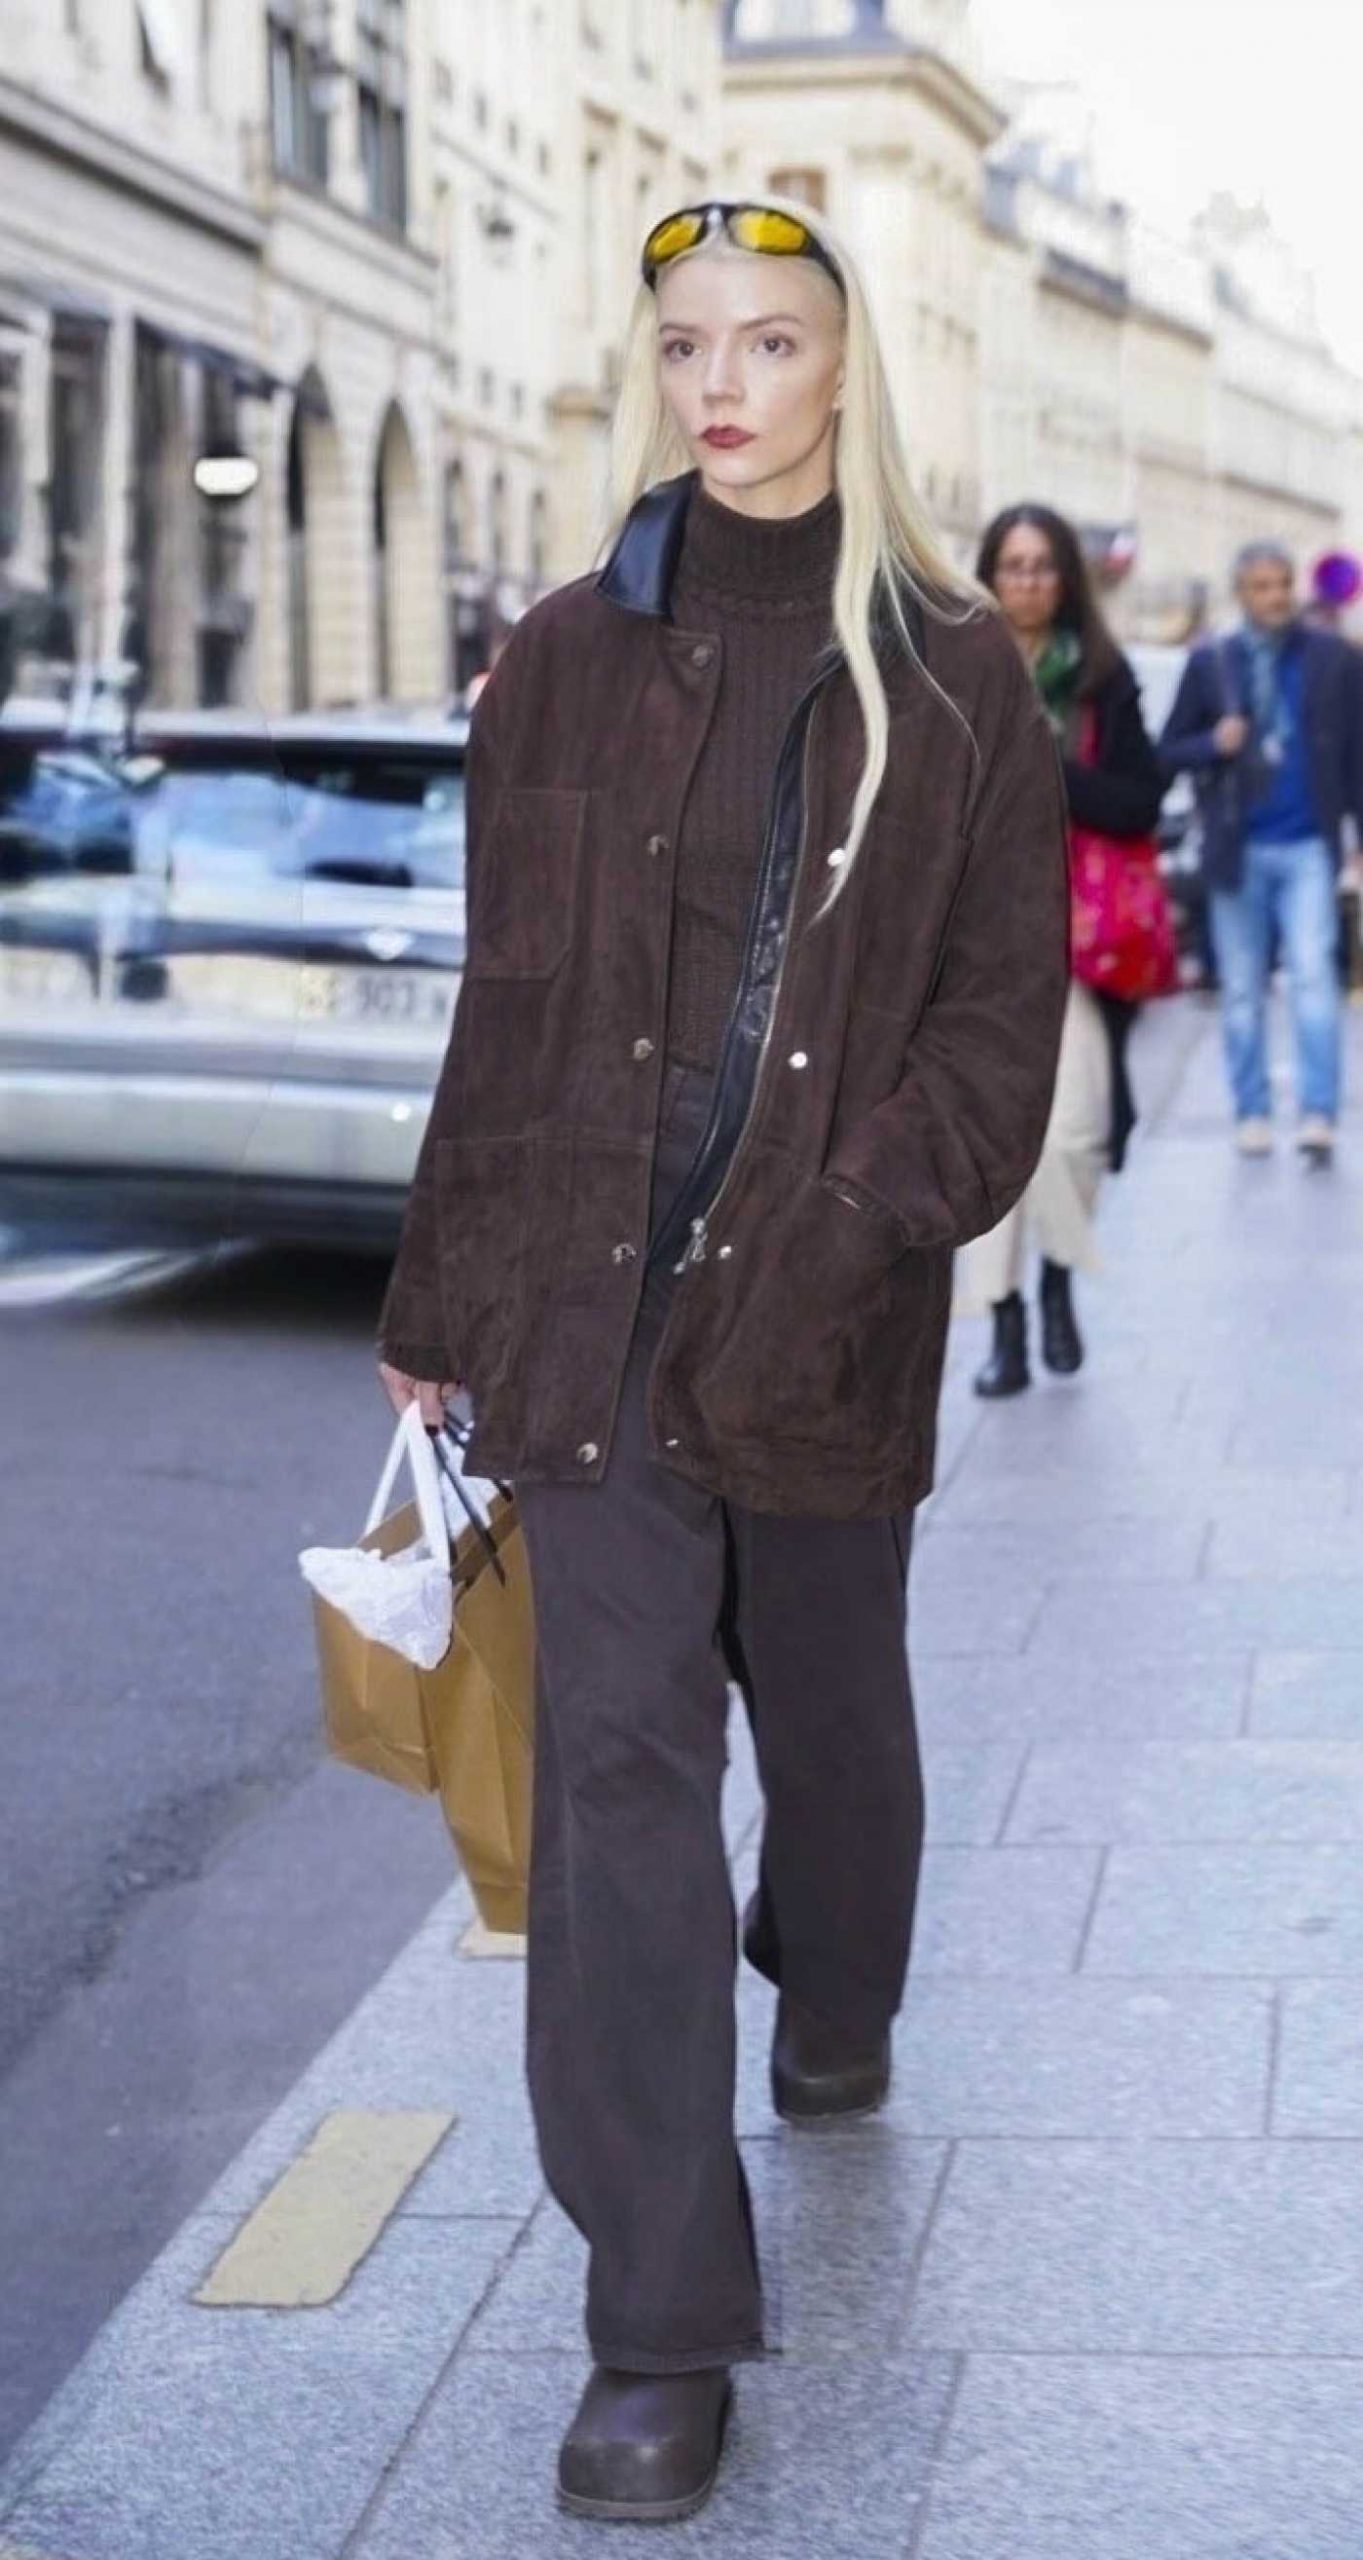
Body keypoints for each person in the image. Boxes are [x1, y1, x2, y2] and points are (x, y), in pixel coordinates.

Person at [376, 197, 1068, 2525]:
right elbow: (507, 999)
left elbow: (996, 1038)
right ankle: (657, 2326)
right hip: (584, 1305)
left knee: (834, 1716)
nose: (720, 385)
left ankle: (842, 1978)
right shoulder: (565, 657)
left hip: (820, 1312)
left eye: (767, 340)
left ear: (843, 367)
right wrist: (431, 1301)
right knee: (616, 1784)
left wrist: (867, 1215)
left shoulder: (956, 671)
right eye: (682, 345)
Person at [961, 504, 1165, 1397]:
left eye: (1043, 566)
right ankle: (1004, 1323)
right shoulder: (957, 671)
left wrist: (1047, 764)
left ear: (1065, 578)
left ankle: (1053, 1284)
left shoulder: (1104, 680)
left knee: (1074, 1132)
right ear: (990, 574)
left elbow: (1138, 801)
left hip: (1077, 944)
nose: (1028, 582)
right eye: (1012, 565)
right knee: (986, 1140)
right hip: (974, 943)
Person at [1161, 540, 1363, 1163]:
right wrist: (1212, 744)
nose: (1276, 597)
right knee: (1243, 989)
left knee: (1311, 977)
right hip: (1236, 848)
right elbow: (1168, 749)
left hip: (1308, 845)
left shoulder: (1334, 660)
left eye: (1282, 583)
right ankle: (1251, 1112)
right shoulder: (1211, 663)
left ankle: (1318, 1112)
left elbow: (1358, 755)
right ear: (1241, 594)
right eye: (1262, 587)